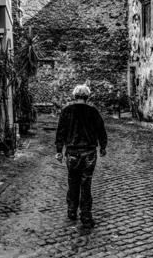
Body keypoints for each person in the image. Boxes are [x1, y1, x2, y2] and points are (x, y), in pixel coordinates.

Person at [55, 83, 107, 228]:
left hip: (72, 153)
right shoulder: (93, 112)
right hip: (89, 153)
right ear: (87, 96)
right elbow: (101, 130)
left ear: (75, 95)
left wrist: (59, 150)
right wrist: (103, 147)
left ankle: (72, 210)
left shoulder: (67, 111)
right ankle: (86, 216)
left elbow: (61, 132)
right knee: (86, 184)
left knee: (73, 181)